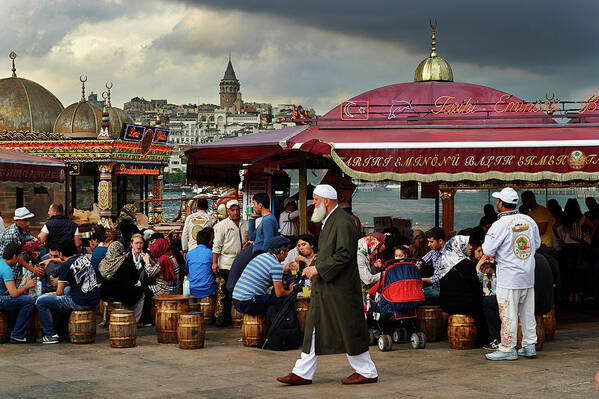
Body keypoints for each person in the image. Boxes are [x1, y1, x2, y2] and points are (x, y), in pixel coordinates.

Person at [277, 184, 378, 386]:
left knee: (348, 328)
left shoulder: (342, 222)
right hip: (329, 285)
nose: (313, 204)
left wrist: (318, 269)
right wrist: (312, 266)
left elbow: (344, 255)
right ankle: (302, 372)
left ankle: (367, 371)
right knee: (315, 327)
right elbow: (329, 254)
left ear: (326, 201)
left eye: (315, 200)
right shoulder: (331, 220)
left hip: (339, 288)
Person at [482, 187, 541, 360]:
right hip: (528, 274)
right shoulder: (529, 220)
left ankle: (508, 348)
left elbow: (487, 249)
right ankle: (529, 345)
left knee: (508, 313)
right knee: (527, 313)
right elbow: (536, 244)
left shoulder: (500, 224)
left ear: (500, 204)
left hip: (509, 276)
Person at [36, 239, 100, 344]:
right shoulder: (84, 258)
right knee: (68, 290)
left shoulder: (65, 267)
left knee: (41, 301)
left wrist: (54, 288)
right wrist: (52, 261)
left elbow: (59, 293)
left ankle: (51, 335)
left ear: (61, 253)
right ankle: (64, 330)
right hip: (94, 300)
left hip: (80, 303)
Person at [438, 235, 487, 345]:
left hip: (446, 303)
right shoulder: (465, 264)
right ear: (459, 246)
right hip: (460, 304)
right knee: (486, 304)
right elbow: (476, 286)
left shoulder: (446, 260)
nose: (470, 247)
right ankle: (484, 339)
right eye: (467, 245)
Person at [232, 236, 294, 315]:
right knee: (284, 299)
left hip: (236, 300)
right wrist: (290, 291)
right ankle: (278, 326)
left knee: (270, 297)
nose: (287, 254)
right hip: (247, 303)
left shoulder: (261, 256)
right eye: (287, 252)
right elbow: (280, 293)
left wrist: (283, 271)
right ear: (282, 252)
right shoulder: (276, 265)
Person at [211, 200, 248, 326]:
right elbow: (217, 246)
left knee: (237, 290)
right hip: (226, 262)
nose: (236, 212)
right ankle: (221, 317)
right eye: (232, 210)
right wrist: (214, 263)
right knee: (223, 291)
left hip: (241, 262)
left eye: (237, 209)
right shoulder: (222, 226)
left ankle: (236, 317)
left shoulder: (246, 224)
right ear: (227, 212)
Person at [98, 241, 144, 322]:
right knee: (141, 294)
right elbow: (135, 278)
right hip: (122, 295)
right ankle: (134, 320)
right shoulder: (125, 261)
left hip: (105, 294)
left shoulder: (102, 263)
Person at [0, 243, 36, 343]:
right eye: (20, 257)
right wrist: (27, 285)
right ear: (15, 256)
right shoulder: (6, 269)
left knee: (19, 299)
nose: (20, 260)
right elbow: (14, 294)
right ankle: (17, 334)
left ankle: (10, 331)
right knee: (29, 300)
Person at [0, 207, 43, 278]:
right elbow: (18, 256)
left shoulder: (23, 229)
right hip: (8, 266)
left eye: (28, 220)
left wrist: (30, 252)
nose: (28, 223)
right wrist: (33, 270)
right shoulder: (12, 234)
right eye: (25, 221)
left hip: (15, 263)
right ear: (16, 221)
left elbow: (21, 245)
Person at [186, 229, 217, 301]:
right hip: (208, 291)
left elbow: (187, 271)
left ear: (196, 241)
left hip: (191, 290)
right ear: (210, 242)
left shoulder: (189, 254)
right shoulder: (212, 254)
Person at [421, 227, 445, 305]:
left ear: (440, 241)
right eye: (428, 242)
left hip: (443, 292)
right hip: (435, 288)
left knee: (417, 296)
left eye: (431, 242)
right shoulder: (434, 251)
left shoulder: (448, 255)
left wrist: (421, 279)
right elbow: (421, 262)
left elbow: (437, 278)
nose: (428, 244)